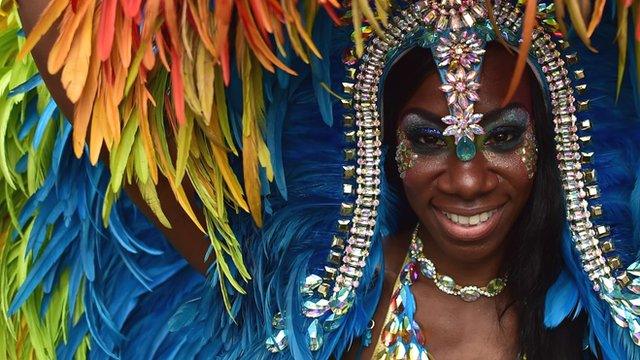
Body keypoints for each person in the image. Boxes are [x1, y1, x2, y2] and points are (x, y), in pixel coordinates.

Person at [2, 0, 640, 359]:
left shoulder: (616, 308)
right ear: (382, 144)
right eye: (426, 139)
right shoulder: (312, 295)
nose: (467, 179)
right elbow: (92, 89)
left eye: (503, 138)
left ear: (552, 141)